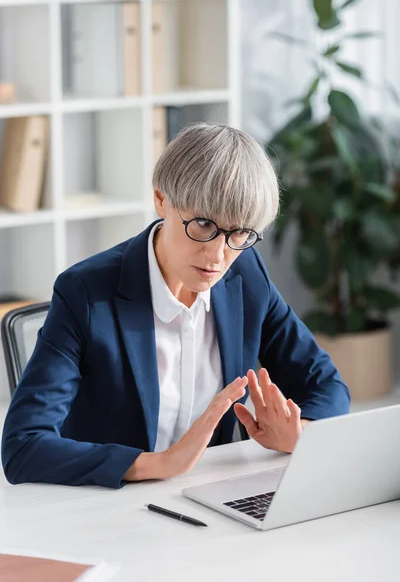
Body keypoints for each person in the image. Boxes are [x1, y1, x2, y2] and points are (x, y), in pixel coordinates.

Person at [1, 123, 350, 489]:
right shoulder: (85, 293)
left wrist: (298, 435)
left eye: (240, 233)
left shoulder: (246, 274)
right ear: (161, 199)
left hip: (209, 494)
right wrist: (159, 463)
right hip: (109, 507)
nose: (218, 255)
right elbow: (23, 447)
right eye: (203, 224)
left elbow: (326, 385)